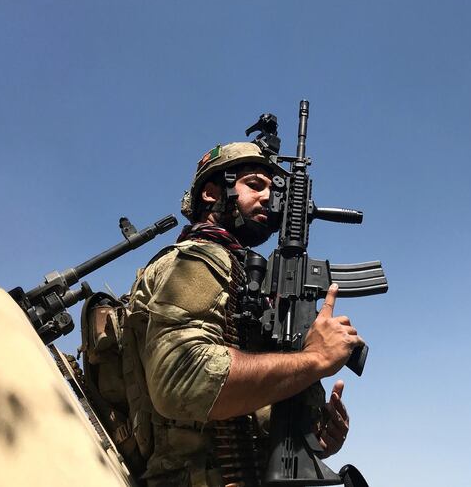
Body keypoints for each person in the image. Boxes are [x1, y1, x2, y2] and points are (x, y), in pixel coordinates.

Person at [127, 142, 364, 487]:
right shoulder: (199, 259)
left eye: (273, 188)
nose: (269, 197)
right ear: (211, 193)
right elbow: (181, 381)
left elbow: (249, 416)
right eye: (255, 185)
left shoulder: (241, 276)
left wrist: (314, 437)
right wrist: (314, 360)